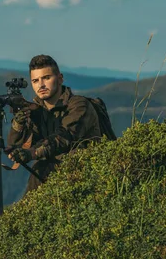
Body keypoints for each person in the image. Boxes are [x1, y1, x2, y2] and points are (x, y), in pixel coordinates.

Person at [7, 54, 102, 194]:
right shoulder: (37, 111)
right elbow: (15, 146)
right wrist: (19, 124)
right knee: (39, 169)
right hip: (51, 176)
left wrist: (32, 153)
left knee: (45, 166)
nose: (41, 85)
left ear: (60, 79)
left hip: (85, 175)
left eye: (46, 78)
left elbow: (65, 137)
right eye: (35, 80)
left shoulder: (79, 105)